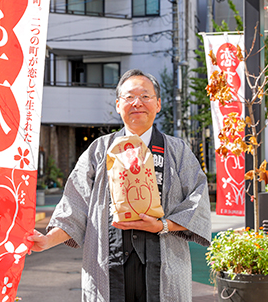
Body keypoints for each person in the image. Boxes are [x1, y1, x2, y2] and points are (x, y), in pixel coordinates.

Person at [28, 69, 211, 301]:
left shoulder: (178, 151)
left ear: (158, 104)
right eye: (129, 97)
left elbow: (198, 200)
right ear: (117, 104)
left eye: (145, 96)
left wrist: (162, 225)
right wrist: (46, 241)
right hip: (108, 267)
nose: (137, 103)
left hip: (164, 268)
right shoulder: (98, 151)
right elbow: (75, 205)